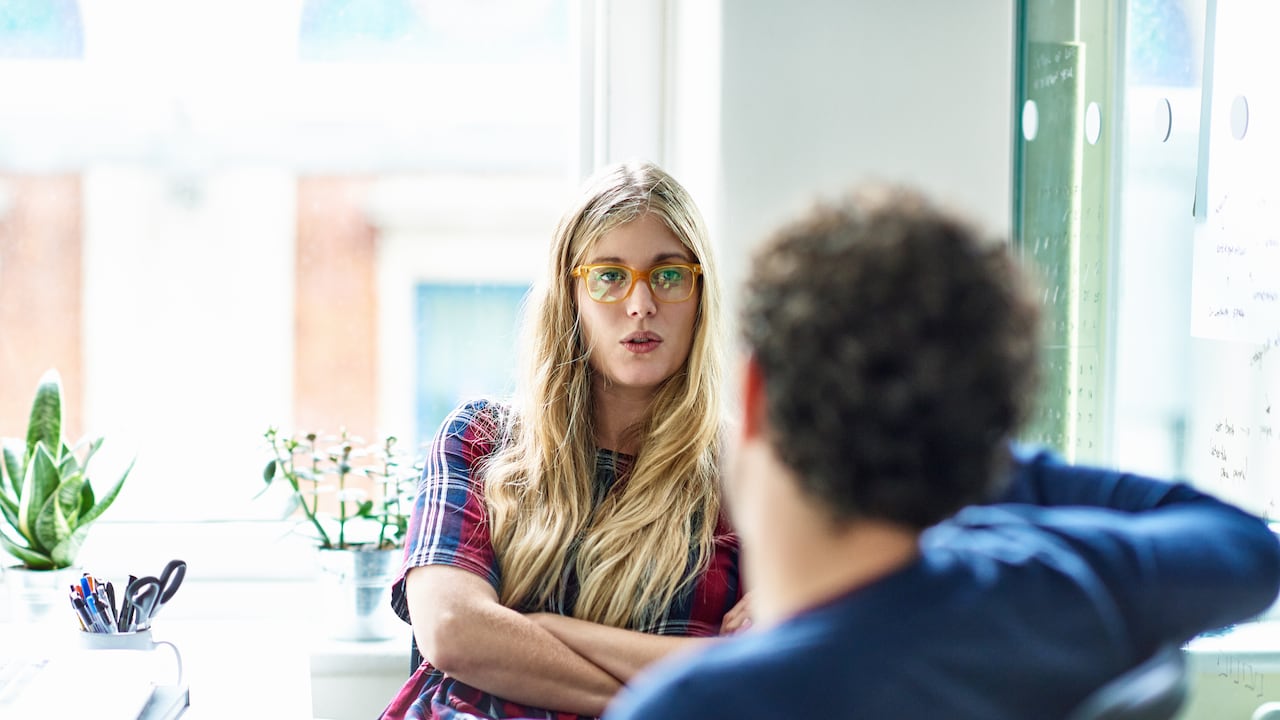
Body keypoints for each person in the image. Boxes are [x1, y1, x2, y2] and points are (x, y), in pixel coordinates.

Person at [605, 187, 1280, 719]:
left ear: (755, 398)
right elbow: (1247, 548)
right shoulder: (1057, 594)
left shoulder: (696, 707)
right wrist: (955, 444)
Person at [379, 161, 744, 720]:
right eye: (609, 275)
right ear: (570, 296)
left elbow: (754, 676)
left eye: (669, 275)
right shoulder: (478, 440)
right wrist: (666, 697)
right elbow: (452, 630)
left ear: (700, 297)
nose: (641, 303)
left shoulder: (744, 474)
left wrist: (538, 632)